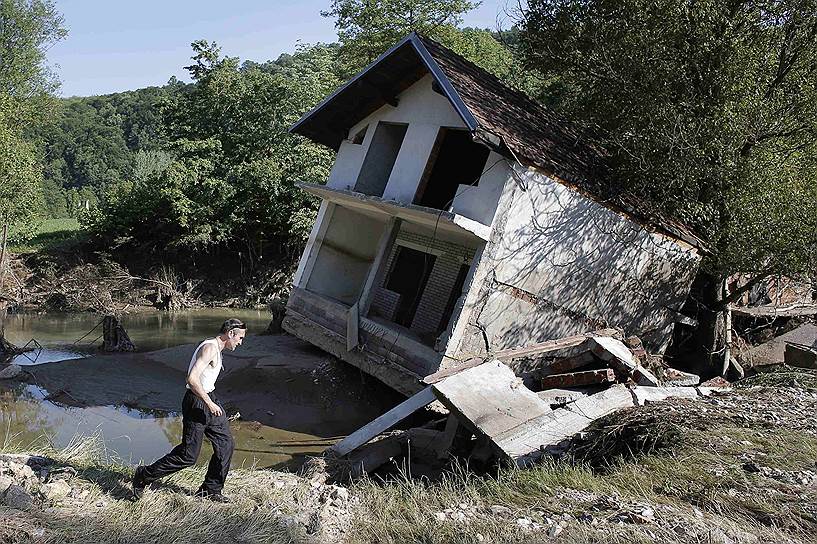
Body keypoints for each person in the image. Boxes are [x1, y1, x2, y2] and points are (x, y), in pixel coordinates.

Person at [132, 318, 247, 501]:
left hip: (209, 397)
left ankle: (210, 489)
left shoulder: (217, 348)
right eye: (240, 337)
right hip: (197, 402)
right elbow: (191, 379)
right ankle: (143, 475)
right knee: (188, 456)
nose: (241, 342)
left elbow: (204, 380)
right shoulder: (209, 348)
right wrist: (209, 403)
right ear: (230, 333)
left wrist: (211, 401)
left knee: (226, 445)